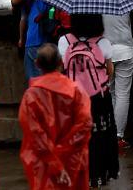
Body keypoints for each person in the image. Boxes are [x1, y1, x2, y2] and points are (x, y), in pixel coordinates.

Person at [19, 43, 93, 190]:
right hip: (74, 160)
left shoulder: (31, 96)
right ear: (61, 62)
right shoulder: (77, 92)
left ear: (37, 64)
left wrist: (54, 161)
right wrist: (63, 156)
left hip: (43, 163)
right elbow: (84, 126)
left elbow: (36, 135)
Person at [59, 14, 119, 187]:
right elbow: (109, 71)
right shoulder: (103, 43)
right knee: (99, 138)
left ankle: (75, 175)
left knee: (75, 138)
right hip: (98, 100)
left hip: (73, 99)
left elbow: (63, 68)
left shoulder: (64, 41)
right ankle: (98, 176)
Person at [103, 14, 133, 151]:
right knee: (122, 94)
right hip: (126, 48)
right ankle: (118, 135)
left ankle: (108, 131)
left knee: (109, 92)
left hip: (104, 49)